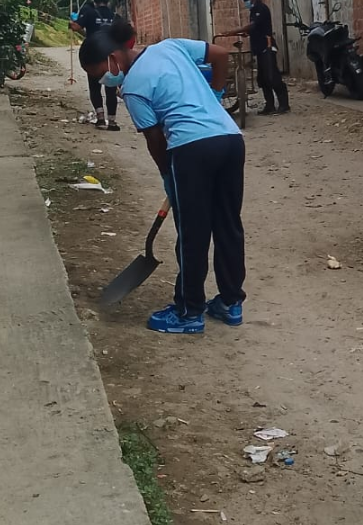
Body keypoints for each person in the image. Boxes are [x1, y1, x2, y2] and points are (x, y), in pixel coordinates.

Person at [79, 26, 248, 334]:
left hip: (192, 149)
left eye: (100, 73)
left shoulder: (132, 88)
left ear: (113, 58)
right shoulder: (171, 47)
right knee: (228, 225)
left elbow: (155, 140)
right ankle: (230, 302)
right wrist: (216, 95)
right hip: (230, 140)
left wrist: (168, 174)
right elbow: (222, 55)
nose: (102, 80)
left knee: (192, 233)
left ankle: (189, 311)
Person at [221, 0, 289, 115]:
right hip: (259, 49)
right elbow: (256, 28)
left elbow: (253, 25)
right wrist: (246, 33)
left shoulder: (261, 9)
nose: (244, 2)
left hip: (267, 47)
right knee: (263, 79)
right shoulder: (253, 10)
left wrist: (233, 31)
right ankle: (269, 105)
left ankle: (284, 105)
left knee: (273, 77)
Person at [72, 0, 122, 130]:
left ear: (95, 3)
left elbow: (76, 27)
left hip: (93, 53)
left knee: (95, 87)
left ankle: (100, 119)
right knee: (110, 88)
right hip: (111, 55)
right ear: (108, 2)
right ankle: (112, 122)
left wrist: (71, 24)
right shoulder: (115, 16)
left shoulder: (90, 13)